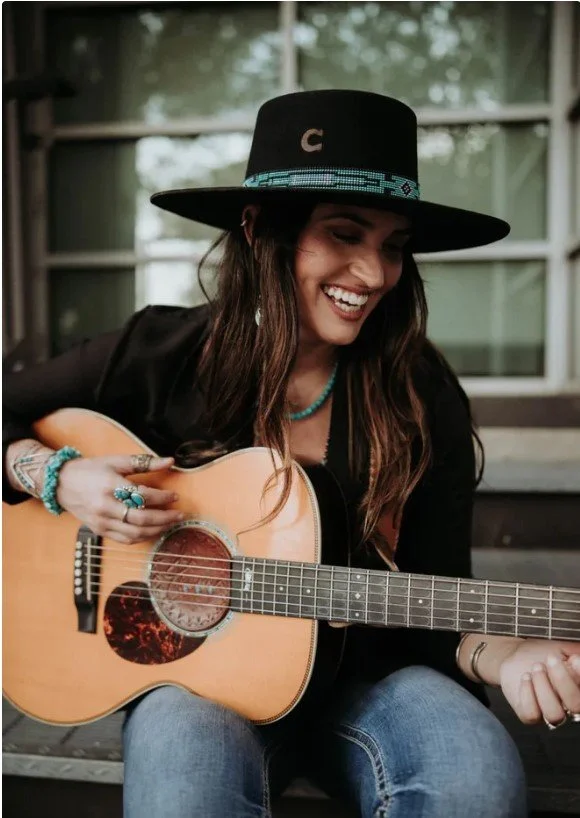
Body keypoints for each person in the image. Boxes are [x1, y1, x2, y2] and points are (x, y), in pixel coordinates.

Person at [4, 90, 580, 818]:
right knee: (184, 790)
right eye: (345, 234)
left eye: (393, 245)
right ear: (259, 231)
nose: (373, 274)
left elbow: (444, 598)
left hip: (377, 682)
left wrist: (513, 657)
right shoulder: (162, 353)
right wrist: (56, 475)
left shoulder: (418, 391)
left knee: (474, 774)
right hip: (199, 683)